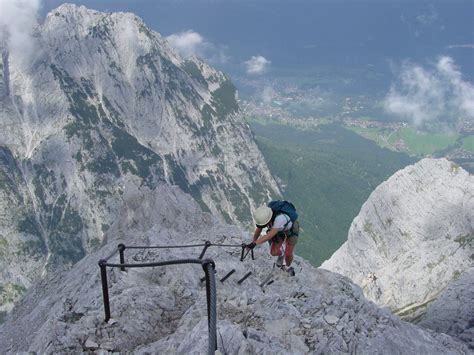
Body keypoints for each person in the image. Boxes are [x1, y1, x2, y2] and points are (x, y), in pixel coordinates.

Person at [247, 204, 299, 273]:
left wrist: (255, 243)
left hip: (291, 229)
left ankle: (286, 267)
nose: (264, 226)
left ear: (268, 221)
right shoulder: (266, 215)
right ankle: (281, 254)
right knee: (274, 252)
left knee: (288, 253)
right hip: (277, 229)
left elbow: (270, 235)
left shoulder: (280, 219)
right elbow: (259, 229)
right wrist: (253, 242)